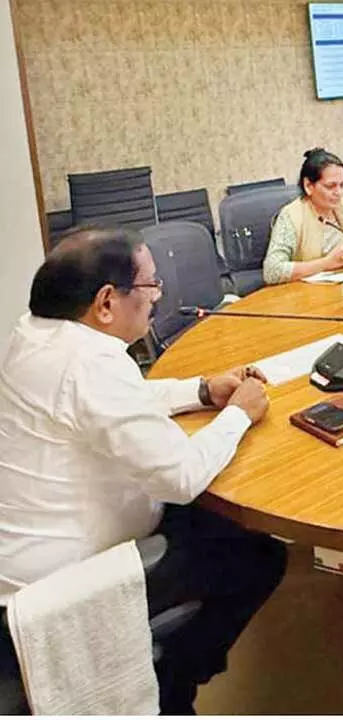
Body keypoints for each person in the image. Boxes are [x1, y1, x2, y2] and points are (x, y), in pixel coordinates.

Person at [0, 227, 286, 713]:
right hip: (64, 585)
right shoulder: (90, 363)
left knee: (221, 527)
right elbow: (182, 477)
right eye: (151, 285)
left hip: (21, 569)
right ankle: (174, 683)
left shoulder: (35, 334)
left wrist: (200, 390)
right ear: (106, 302)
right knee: (258, 558)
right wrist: (240, 413)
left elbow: (113, 400)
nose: (158, 296)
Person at [263, 148, 343, 285]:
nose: (339, 192)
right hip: (306, 292)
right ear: (308, 186)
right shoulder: (291, 216)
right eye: (330, 186)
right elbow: (272, 271)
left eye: (342, 185)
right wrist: (327, 263)